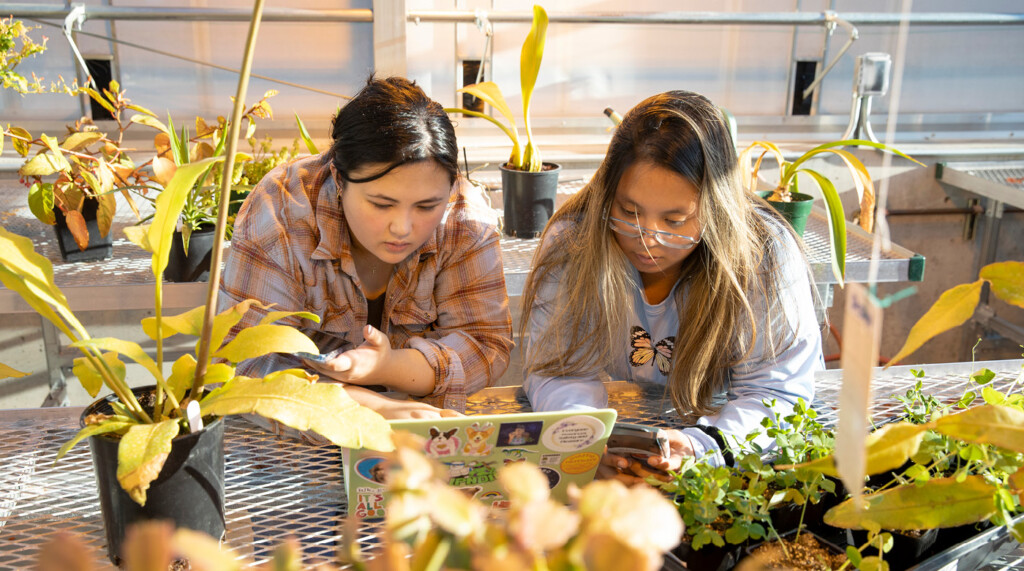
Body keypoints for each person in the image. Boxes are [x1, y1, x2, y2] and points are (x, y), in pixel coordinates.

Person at [520, 90, 822, 481]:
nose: (648, 239)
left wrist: (705, 446)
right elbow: (559, 369)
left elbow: (776, 392)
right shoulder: (572, 243)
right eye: (629, 211)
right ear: (606, 193)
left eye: (675, 221)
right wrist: (587, 439)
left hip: (716, 435)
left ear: (717, 210)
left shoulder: (765, 255)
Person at [220, 76, 513, 420]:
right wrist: (377, 410)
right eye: (381, 204)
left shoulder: (464, 218)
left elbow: (485, 343)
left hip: (425, 430)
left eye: (426, 206)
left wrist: (387, 367)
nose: (402, 227)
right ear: (339, 179)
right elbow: (240, 360)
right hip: (304, 442)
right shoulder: (280, 214)